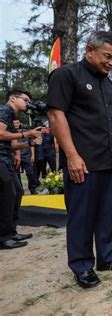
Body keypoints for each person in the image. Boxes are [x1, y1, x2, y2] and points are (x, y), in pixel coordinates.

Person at [47, 31, 112, 289]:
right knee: (82, 216)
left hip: (109, 160)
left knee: (107, 213)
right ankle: (82, 265)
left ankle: (107, 257)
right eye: (107, 56)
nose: (111, 63)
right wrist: (72, 156)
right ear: (89, 50)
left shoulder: (109, 85)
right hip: (83, 163)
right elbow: (56, 115)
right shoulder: (66, 75)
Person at [0, 90, 43, 250]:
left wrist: (29, 143)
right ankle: (3, 237)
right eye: (25, 100)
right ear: (12, 99)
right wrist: (27, 133)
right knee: (7, 194)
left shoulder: (11, 116)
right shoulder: (4, 110)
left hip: (6, 158)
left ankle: (11, 232)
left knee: (17, 192)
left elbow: (11, 145)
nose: (28, 103)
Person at [13, 119, 38, 194]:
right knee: (17, 175)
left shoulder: (26, 132)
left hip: (27, 155)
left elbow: (32, 145)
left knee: (30, 173)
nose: (16, 124)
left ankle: (32, 188)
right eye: (14, 123)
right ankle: (20, 191)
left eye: (17, 123)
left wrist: (33, 155)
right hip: (16, 156)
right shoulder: (10, 133)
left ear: (20, 123)